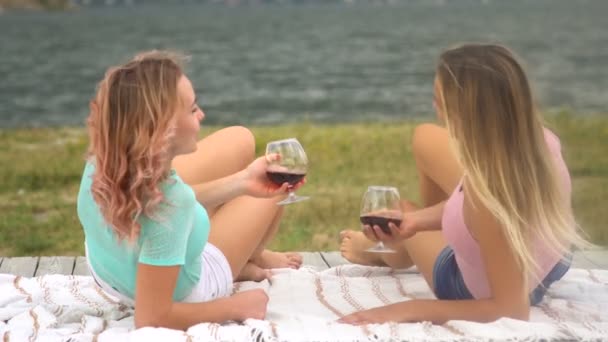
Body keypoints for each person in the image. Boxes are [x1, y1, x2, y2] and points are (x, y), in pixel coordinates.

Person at [338, 43, 589, 324]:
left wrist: (407, 309)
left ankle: (385, 253)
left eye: (438, 100)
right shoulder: (540, 144)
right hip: (549, 266)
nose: (435, 108)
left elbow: (511, 311)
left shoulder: (489, 195)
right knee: (409, 211)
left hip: (475, 291)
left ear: (463, 112)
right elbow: (474, 207)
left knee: (404, 212)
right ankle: (398, 241)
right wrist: (417, 220)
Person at [77, 50, 304, 330]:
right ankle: (247, 258)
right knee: (277, 185)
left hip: (109, 270)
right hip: (187, 291)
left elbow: (159, 206)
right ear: (163, 128)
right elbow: (152, 318)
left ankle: (248, 253)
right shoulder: (172, 209)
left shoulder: (104, 160)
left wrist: (242, 181)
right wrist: (237, 306)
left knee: (240, 138)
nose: (202, 114)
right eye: (192, 109)